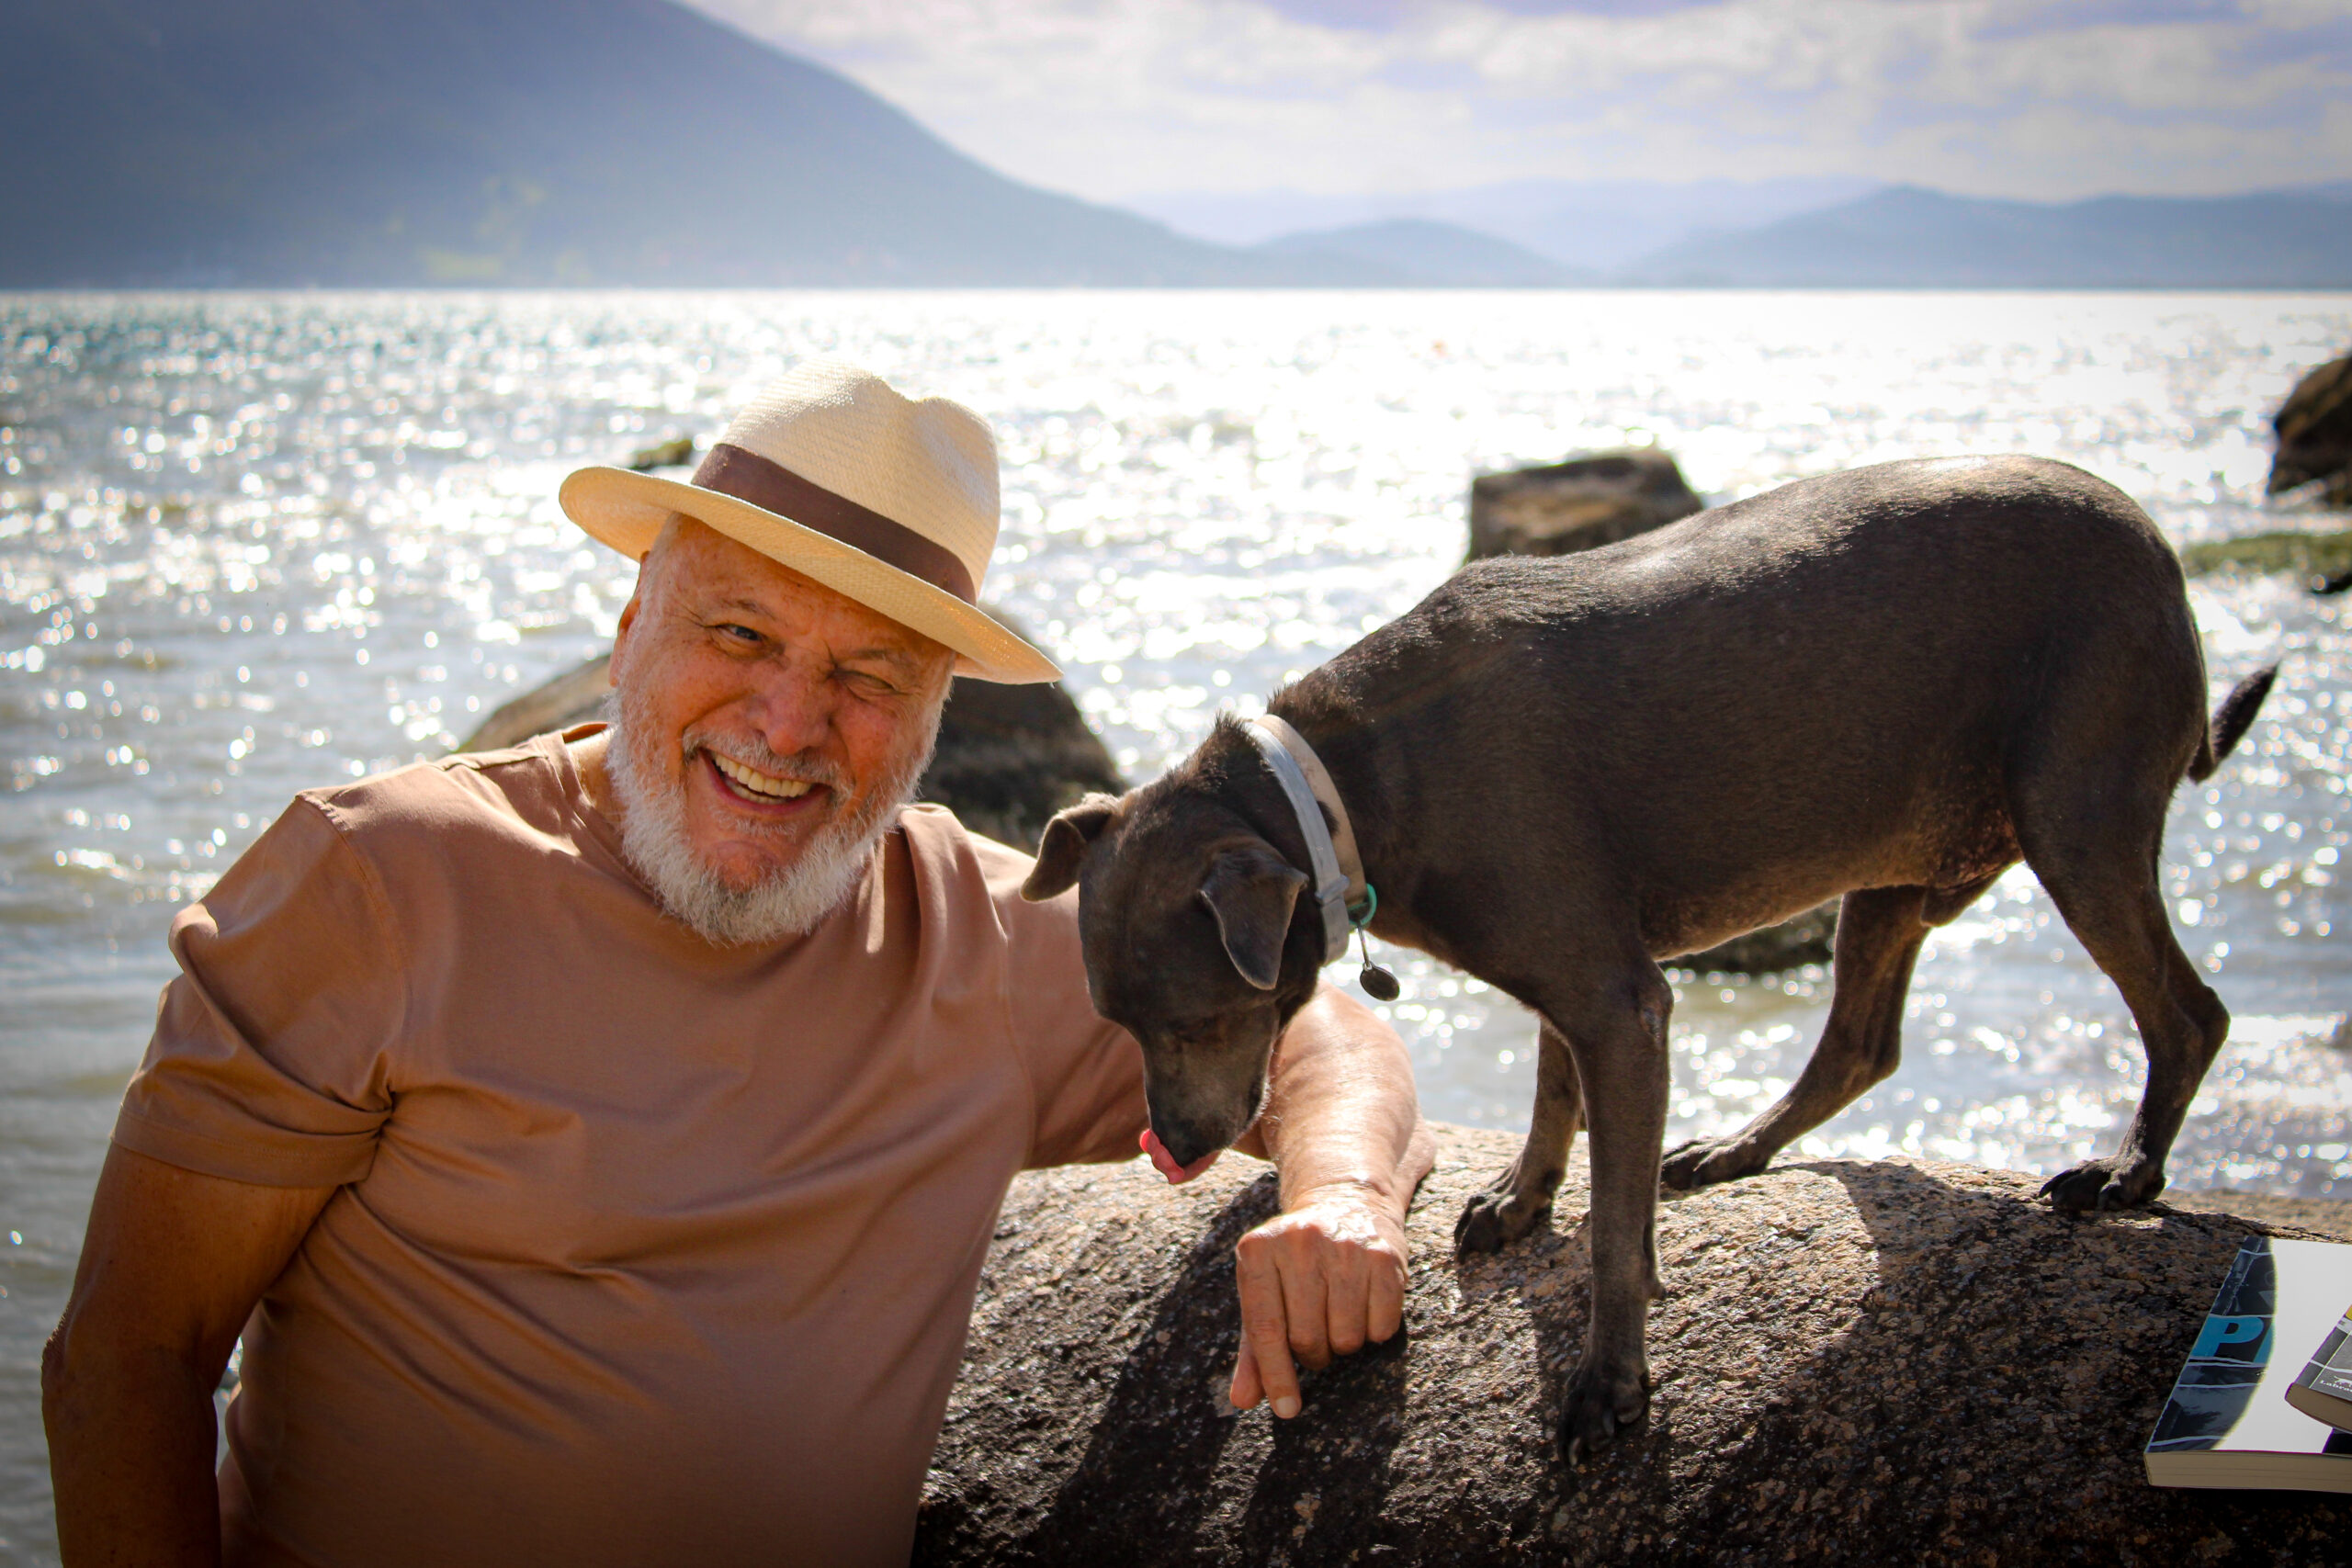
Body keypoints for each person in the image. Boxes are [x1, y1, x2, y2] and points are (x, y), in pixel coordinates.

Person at [41, 360, 1433, 1567]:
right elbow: (128, 1360)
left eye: (869, 678)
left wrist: (1343, 1198)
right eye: (742, 635)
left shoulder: (976, 938)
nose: (788, 722)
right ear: (633, 615)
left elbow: (1307, 1026)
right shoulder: (379, 886)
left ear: (936, 715)